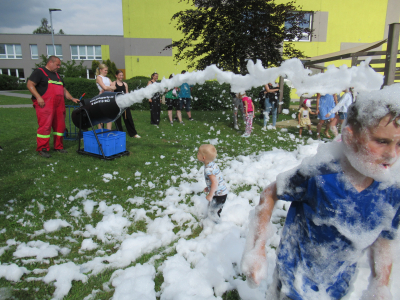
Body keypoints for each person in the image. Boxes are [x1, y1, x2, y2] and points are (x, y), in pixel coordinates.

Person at [241, 85, 400, 300]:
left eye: (399, 144)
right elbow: (270, 193)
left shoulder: (390, 191)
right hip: (294, 281)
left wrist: (381, 283)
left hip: (338, 287)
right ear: (350, 137)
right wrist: (257, 248)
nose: (391, 154)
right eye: (381, 141)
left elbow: (384, 237)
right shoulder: (319, 176)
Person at [27, 56, 79, 158]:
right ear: (50, 62)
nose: (59, 67)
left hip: (59, 105)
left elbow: (63, 90)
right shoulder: (39, 72)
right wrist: (38, 97)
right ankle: (43, 149)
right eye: (57, 65)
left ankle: (58, 147)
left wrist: (72, 98)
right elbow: (30, 84)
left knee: (60, 126)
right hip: (45, 105)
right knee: (45, 127)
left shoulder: (58, 76)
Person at [197, 144, 228, 223]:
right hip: (220, 192)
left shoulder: (208, 169)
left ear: (203, 158)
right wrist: (209, 188)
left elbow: (215, 182)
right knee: (212, 208)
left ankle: (217, 225)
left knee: (213, 212)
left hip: (219, 195)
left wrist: (210, 194)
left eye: (198, 153)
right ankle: (212, 222)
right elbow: (215, 180)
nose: (197, 154)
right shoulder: (212, 164)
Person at [112, 70, 140, 138]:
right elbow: (112, 95)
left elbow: (127, 94)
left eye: (122, 75)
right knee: (118, 120)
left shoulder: (125, 84)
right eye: (120, 75)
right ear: (116, 76)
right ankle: (119, 133)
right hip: (117, 105)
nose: (121, 77)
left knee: (128, 118)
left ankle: (133, 133)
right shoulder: (113, 83)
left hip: (125, 104)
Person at [96, 64, 116, 130]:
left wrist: (107, 88)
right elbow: (104, 87)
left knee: (109, 116)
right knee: (101, 116)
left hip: (109, 98)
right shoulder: (99, 77)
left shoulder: (108, 78)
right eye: (105, 70)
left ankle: (108, 132)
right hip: (102, 98)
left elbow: (114, 87)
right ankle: (100, 132)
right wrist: (109, 87)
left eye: (107, 70)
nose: (106, 72)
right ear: (100, 70)